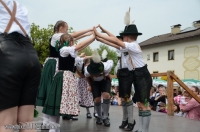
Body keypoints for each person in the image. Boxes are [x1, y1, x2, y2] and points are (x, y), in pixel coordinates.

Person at [93, 8, 152, 132]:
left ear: (125, 37)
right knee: (141, 104)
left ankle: (144, 130)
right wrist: (100, 38)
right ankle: (141, 129)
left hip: (142, 75)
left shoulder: (133, 45)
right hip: (136, 75)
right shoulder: (128, 47)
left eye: (122, 36)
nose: (121, 38)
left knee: (145, 104)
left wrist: (98, 34)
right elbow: (114, 42)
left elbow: (115, 40)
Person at [42, 30, 95, 132]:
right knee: (57, 103)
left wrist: (93, 38)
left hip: (68, 78)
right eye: (72, 40)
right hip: (63, 78)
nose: (74, 42)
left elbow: (80, 47)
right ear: (68, 41)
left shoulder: (70, 51)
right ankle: (53, 129)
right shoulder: (64, 50)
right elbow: (79, 46)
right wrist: (93, 37)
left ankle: (55, 128)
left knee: (60, 104)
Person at [0, 0, 41, 132]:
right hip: (31, 55)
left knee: (5, 123)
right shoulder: (19, 6)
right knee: (27, 121)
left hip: (7, 54)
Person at [85, 49, 113, 127]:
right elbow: (87, 77)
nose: (96, 74)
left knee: (106, 95)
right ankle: (99, 117)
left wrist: (109, 76)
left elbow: (110, 61)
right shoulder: (87, 71)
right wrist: (90, 85)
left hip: (104, 80)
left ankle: (106, 117)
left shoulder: (107, 66)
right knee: (97, 99)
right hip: (94, 82)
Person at [76, 53, 94, 119]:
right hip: (83, 82)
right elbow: (78, 71)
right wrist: (82, 76)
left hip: (91, 82)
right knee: (83, 97)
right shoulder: (81, 65)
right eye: (87, 64)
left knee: (91, 97)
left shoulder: (93, 66)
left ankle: (95, 112)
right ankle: (88, 112)